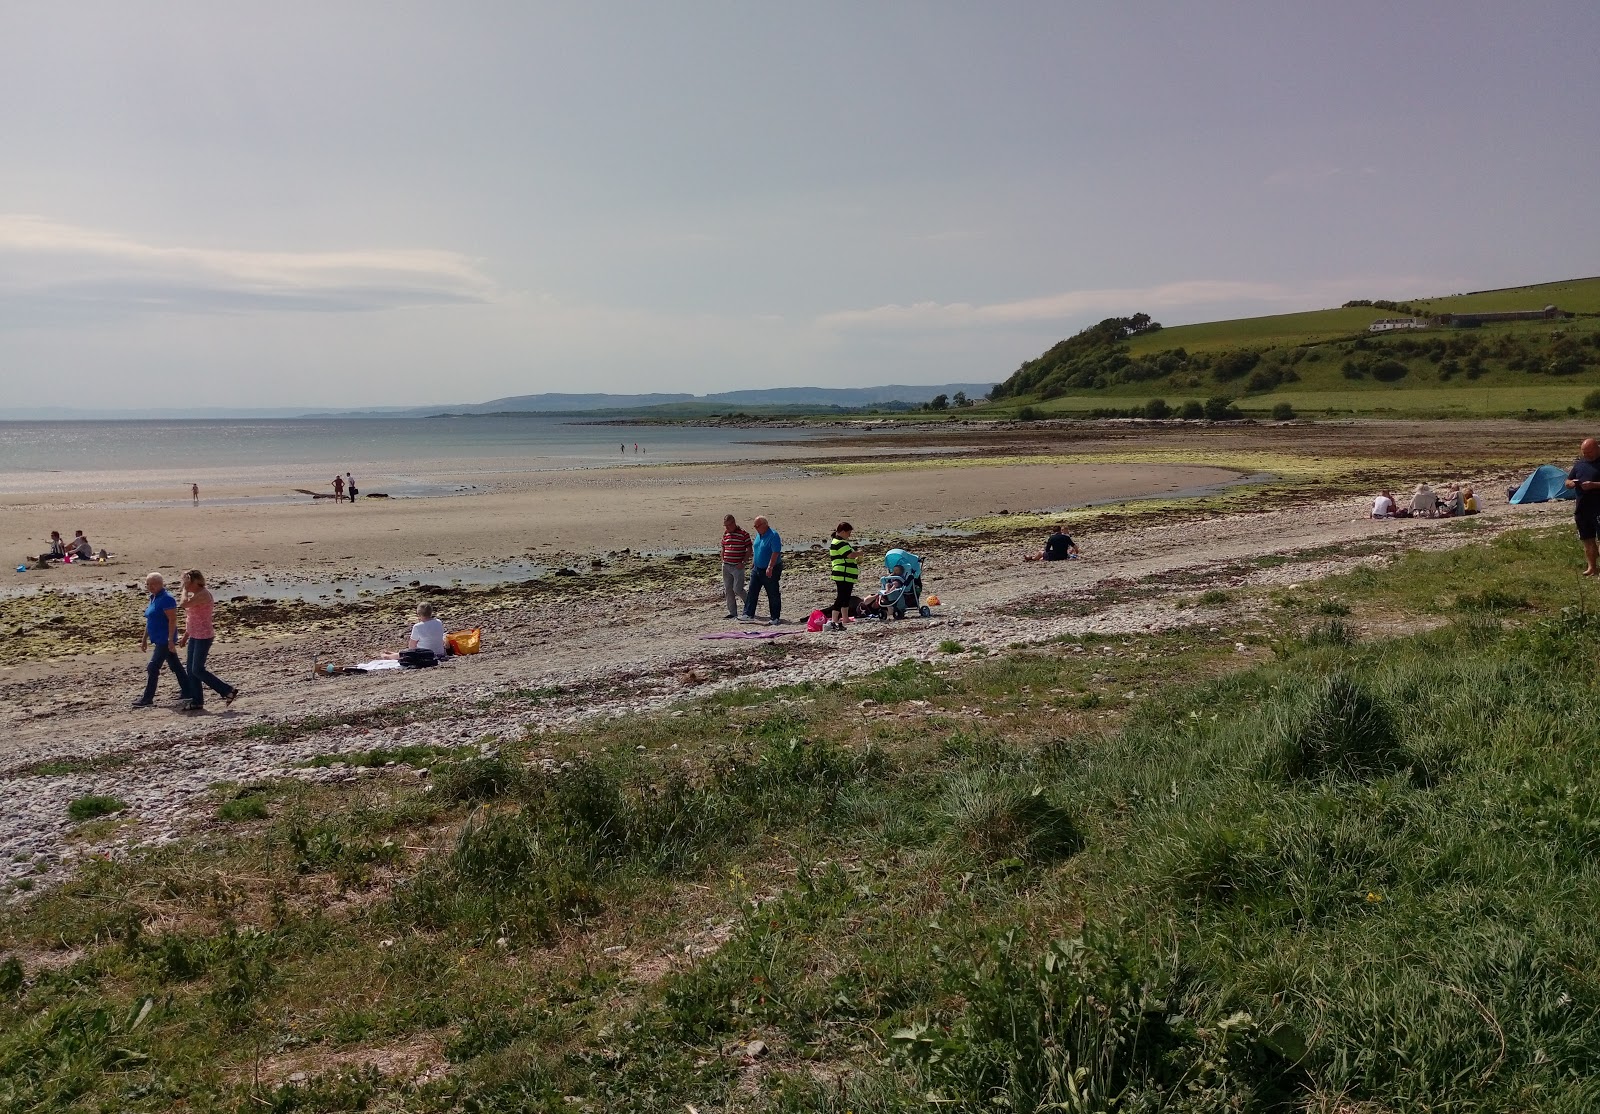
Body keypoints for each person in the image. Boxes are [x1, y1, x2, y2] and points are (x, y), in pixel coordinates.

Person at [178, 569, 239, 710]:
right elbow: (192, 617)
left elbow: (183, 604)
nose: (184, 584)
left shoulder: (203, 594)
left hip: (204, 636)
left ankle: (227, 690)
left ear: (194, 581)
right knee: (191, 670)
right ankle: (197, 700)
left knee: (197, 669)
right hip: (194, 634)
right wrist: (186, 635)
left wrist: (185, 589)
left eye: (186, 581)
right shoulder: (196, 595)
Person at [135, 573, 192, 708]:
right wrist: (144, 639)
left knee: (153, 667)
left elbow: (172, 620)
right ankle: (188, 691)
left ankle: (147, 698)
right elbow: (150, 620)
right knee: (175, 666)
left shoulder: (167, 599)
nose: (150, 587)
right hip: (158, 639)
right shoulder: (153, 598)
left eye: (153, 584)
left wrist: (171, 640)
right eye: (148, 584)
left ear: (161, 584)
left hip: (165, 640)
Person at [1567, 438, 1600, 575]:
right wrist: (1570, 483)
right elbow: (1568, 480)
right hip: (1582, 508)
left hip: (1598, 507)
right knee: (1587, 539)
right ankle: (1592, 567)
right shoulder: (1579, 464)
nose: (1587, 455)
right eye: (1584, 453)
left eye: (1589, 452)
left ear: (1597, 448)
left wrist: (1593, 485)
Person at [743, 515, 783, 623]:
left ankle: (775, 617)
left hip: (771, 568)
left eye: (757, 526)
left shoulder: (773, 535)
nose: (755, 528)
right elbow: (756, 548)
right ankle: (748, 614)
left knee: (772, 593)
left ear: (764, 525)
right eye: (754, 526)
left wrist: (770, 567)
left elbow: (775, 552)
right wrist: (753, 562)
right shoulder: (758, 534)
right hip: (757, 568)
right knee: (752, 591)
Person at [827, 522, 858, 631]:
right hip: (842, 573)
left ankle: (845, 617)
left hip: (847, 574)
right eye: (849, 533)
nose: (849, 535)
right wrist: (859, 553)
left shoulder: (841, 542)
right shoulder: (839, 542)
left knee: (846, 596)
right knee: (841, 596)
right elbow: (849, 555)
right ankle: (834, 619)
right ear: (843, 532)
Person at [719, 514, 752, 619]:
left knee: (738, 589)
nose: (727, 528)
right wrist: (723, 560)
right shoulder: (726, 534)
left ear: (733, 523)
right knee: (728, 589)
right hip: (726, 565)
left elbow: (749, 549)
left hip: (737, 566)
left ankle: (750, 607)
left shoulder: (743, 534)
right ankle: (733, 613)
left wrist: (743, 562)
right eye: (725, 526)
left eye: (728, 525)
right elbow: (723, 547)